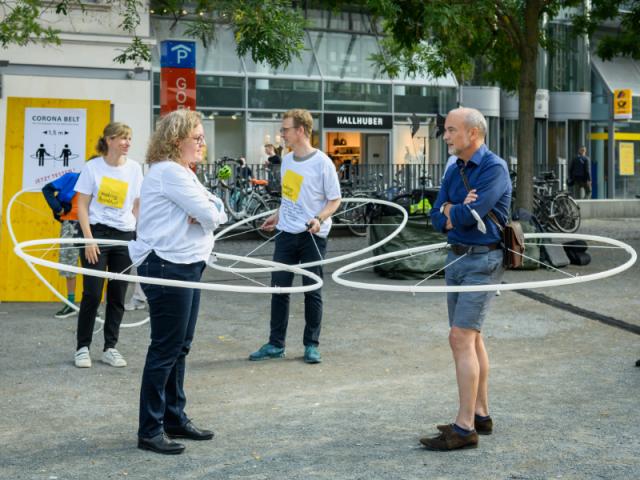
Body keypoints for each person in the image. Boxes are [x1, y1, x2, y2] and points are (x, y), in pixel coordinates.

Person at [130, 109, 227, 455]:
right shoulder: (170, 172)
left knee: (180, 346)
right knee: (166, 347)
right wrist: (206, 212)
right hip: (167, 265)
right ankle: (150, 429)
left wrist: (207, 211)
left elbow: (217, 210)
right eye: (196, 138)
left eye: (202, 138)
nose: (202, 144)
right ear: (176, 140)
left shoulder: (183, 172)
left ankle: (173, 418)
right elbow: (210, 214)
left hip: (185, 264)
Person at [423, 107, 511, 451]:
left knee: (460, 337)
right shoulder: (455, 168)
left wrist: (454, 210)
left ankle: (464, 429)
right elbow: (435, 215)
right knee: (471, 338)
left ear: (473, 133)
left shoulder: (493, 168)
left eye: (451, 130)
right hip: (456, 258)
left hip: (483, 260)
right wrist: (451, 211)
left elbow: (472, 213)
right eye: (446, 130)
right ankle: (480, 414)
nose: (445, 136)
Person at [249, 109, 341, 364]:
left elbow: (335, 200)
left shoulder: (322, 163)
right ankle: (275, 344)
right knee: (279, 289)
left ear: (300, 130)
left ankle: (311, 345)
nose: (282, 134)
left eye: (285, 129)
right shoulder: (287, 161)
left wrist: (319, 218)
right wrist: (277, 215)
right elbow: (290, 197)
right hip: (286, 233)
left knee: (312, 290)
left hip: (313, 235)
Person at [73, 122, 143, 368]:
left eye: (129, 138)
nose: (127, 143)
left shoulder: (134, 169)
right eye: (123, 138)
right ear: (109, 140)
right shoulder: (93, 167)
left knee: (117, 295)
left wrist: (135, 230)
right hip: (96, 234)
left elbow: (137, 204)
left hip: (124, 236)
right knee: (92, 293)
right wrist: (89, 238)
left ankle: (110, 348)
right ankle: (82, 348)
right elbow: (82, 205)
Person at [42, 171, 81, 319]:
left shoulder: (99, 182)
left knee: (93, 267)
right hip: (70, 224)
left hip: (93, 226)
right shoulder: (72, 177)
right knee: (69, 265)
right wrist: (58, 208)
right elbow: (47, 189)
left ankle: (90, 305)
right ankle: (70, 303)